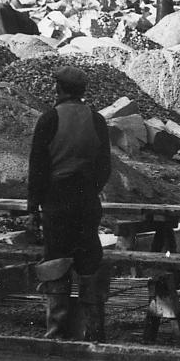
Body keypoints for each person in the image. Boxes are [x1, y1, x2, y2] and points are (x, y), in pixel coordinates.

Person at [26, 65, 113, 339]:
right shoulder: (97, 120)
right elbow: (105, 166)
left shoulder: (49, 119)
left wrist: (34, 207)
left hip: (57, 199)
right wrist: (90, 188)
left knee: (55, 262)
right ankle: (93, 329)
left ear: (59, 89)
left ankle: (57, 330)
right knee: (89, 261)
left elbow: (37, 168)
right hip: (86, 199)